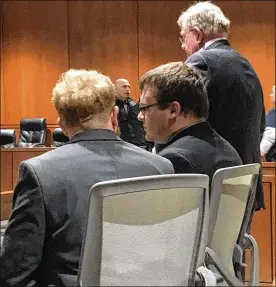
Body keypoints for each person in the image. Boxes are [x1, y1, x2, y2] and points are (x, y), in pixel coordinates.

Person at [0, 69, 174, 286]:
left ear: (62, 124)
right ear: (115, 115)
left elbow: (14, 271)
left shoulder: (38, 172)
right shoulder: (161, 167)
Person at [177, 1, 266, 210]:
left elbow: (182, 122)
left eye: (183, 37)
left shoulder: (200, 61)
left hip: (211, 184)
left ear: (197, 35)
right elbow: (260, 124)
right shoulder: (246, 65)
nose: (182, 45)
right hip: (246, 184)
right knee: (232, 244)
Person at [138, 61, 242, 180]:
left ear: (173, 110)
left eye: (144, 108)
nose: (140, 117)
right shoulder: (229, 151)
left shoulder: (174, 160)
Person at [114, 78, 151, 149]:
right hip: (119, 145)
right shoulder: (110, 106)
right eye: (124, 86)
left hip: (138, 144)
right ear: (115, 89)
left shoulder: (133, 105)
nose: (128, 89)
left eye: (129, 87)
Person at [260, 85, 276, 161]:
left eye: (273, 92)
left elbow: (270, 135)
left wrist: (261, 151)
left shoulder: (274, 113)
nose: (271, 95)